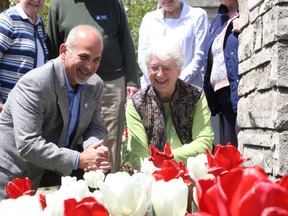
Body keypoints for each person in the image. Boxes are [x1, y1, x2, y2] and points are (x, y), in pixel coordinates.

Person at [0, 25, 111, 199]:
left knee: (101, 175)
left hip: (55, 162)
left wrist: (93, 149)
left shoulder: (95, 84)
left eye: (97, 60)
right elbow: (28, 145)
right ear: (64, 51)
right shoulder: (35, 84)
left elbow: (96, 127)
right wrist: (79, 159)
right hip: (14, 170)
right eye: (84, 57)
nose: (90, 67)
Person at [46, 0, 139, 173]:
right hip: (72, 82)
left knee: (108, 140)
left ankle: (109, 186)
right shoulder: (59, 5)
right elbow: (53, 48)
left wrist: (132, 79)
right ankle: (77, 187)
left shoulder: (113, 3)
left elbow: (126, 40)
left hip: (111, 83)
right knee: (71, 134)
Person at [126, 39, 214, 170]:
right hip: (152, 175)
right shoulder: (136, 104)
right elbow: (138, 155)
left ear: (179, 70)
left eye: (166, 68)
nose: (160, 74)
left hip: (191, 171)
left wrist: (166, 159)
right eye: (154, 68)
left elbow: (204, 143)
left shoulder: (195, 96)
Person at [138, 0, 209, 89]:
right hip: (153, 88)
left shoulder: (197, 15)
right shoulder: (149, 19)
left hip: (188, 88)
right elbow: (142, 58)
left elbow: (200, 55)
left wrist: (176, 83)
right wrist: (157, 81)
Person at [203, 0, 240, 148]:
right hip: (221, 92)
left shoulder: (245, 14)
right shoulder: (219, 19)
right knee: (229, 147)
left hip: (238, 89)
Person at [0, 0, 49, 112]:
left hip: (30, 108)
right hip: (8, 109)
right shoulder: (8, 20)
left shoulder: (39, 23)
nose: (36, 0)